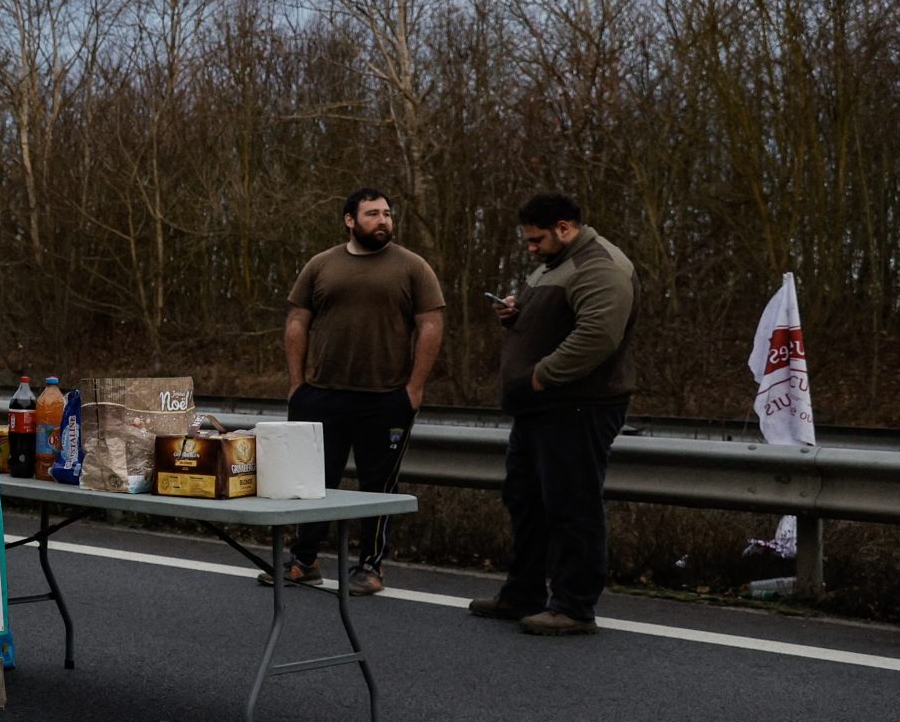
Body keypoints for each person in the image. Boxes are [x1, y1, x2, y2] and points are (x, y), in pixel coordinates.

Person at [469, 192, 639, 635]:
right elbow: (555, 318)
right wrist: (515, 314)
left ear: (565, 227)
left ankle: (574, 606)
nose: (530, 247)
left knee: (572, 505)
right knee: (526, 501)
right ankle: (522, 594)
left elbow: (598, 335)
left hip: (577, 404)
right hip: (541, 408)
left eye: (536, 239)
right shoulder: (555, 263)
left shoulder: (600, 266)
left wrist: (543, 376)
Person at [273, 189, 444, 594]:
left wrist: (414, 389)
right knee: (313, 483)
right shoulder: (321, 265)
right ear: (350, 220)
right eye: (372, 214)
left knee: (377, 487)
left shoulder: (413, 267)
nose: (383, 220)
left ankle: (371, 567)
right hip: (322, 394)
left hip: (384, 398)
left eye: (387, 213)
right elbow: (297, 321)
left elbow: (431, 325)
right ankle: (304, 561)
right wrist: (297, 384)